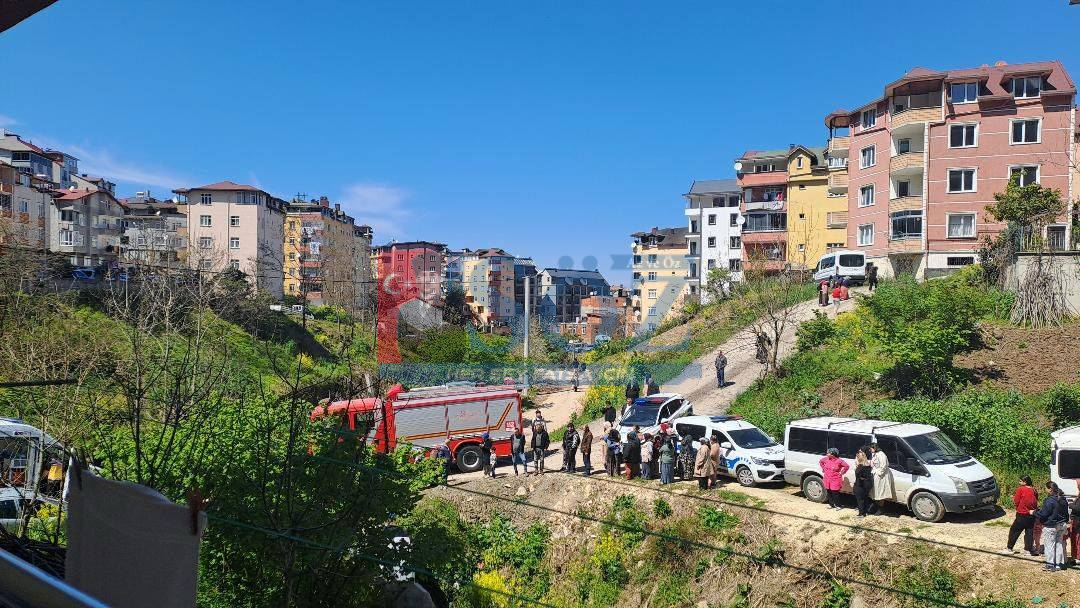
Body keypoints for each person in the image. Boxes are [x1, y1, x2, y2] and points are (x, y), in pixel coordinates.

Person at [1036, 481, 1070, 571]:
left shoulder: (1050, 500)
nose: (1045, 490)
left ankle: (1050, 565)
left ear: (1050, 489)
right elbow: (1066, 513)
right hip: (1062, 524)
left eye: (1046, 488)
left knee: (1049, 545)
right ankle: (1059, 564)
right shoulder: (1063, 499)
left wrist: (1034, 512)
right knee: (1059, 544)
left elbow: (1044, 514)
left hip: (1051, 525)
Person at [1003, 476, 1039, 555]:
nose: (1019, 482)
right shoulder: (1034, 489)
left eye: (1020, 481)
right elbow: (1036, 500)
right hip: (1032, 514)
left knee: (1014, 531)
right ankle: (1028, 550)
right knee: (1029, 532)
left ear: (1025, 482)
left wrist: (1017, 506)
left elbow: (1016, 501)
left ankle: (1009, 548)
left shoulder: (1021, 489)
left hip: (1022, 513)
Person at [869, 443, 894, 513]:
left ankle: (881, 508)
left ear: (874, 448)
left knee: (881, 492)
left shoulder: (882, 455)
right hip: (875, 475)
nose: (870, 450)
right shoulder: (875, 454)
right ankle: (876, 506)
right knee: (876, 491)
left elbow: (883, 466)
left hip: (881, 476)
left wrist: (878, 473)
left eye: (871, 449)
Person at [853, 448, 874, 517]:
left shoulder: (861, 466)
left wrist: (858, 466)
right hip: (867, 484)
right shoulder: (868, 464)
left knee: (860, 499)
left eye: (859, 453)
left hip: (861, 484)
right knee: (865, 498)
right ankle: (865, 512)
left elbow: (859, 475)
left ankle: (861, 513)